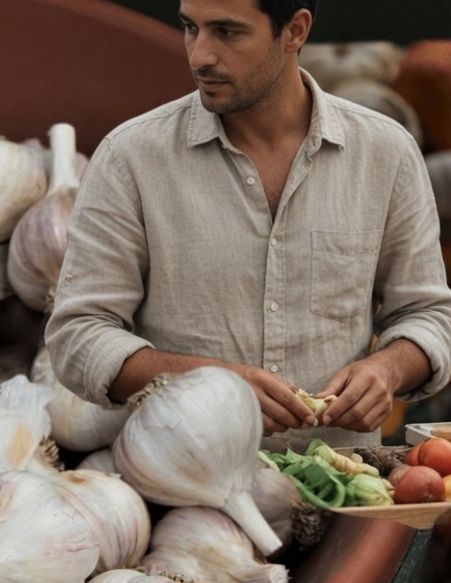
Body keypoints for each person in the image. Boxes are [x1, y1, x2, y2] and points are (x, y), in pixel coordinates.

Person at [44, 0, 451, 450]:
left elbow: (428, 314)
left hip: (345, 492)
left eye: (227, 32)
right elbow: (78, 334)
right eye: (190, 28)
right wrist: (208, 382)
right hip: (186, 490)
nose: (200, 55)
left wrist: (387, 370)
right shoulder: (131, 158)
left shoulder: (384, 153)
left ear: (295, 31)